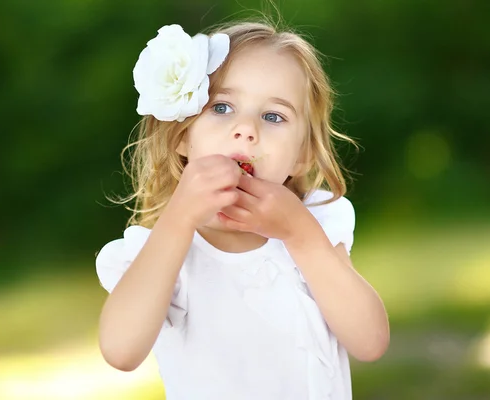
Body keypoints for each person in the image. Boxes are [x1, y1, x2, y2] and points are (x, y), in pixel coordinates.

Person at [95, 18, 390, 400]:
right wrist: (178, 220)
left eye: (273, 116)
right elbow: (120, 352)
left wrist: (301, 235)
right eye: (222, 107)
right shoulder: (165, 251)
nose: (246, 129)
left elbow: (370, 342)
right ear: (183, 135)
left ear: (301, 156)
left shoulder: (315, 224)